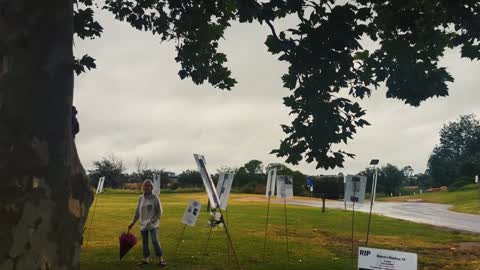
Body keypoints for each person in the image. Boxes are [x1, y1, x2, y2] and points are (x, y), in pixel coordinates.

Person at [128, 179, 167, 267]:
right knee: (145, 242)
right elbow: (137, 212)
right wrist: (132, 223)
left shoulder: (155, 197)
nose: (146, 187)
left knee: (155, 241)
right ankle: (146, 259)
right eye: (145, 185)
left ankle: (161, 259)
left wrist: (153, 220)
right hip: (143, 224)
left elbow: (160, 212)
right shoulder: (140, 198)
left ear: (151, 187)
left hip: (153, 224)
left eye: (148, 186)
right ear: (143, 187)